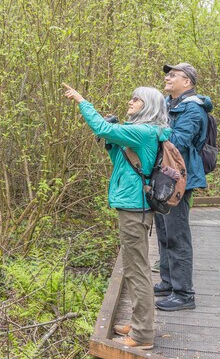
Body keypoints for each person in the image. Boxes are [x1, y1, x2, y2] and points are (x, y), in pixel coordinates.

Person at [63, 83, 171, 350]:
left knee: (137, 271)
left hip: (135, 208)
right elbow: (121, 161)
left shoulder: (144, 131)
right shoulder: (143, 133)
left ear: (149, 106)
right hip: (133, 205)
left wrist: (82, 101)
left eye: (136, 99)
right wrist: (112, 142)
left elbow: (101, 128)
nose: (130, 102)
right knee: (135, 268)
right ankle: (138, 323)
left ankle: (143, 334)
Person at [153, 63, 213, 311]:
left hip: (179, 180)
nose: (167, 77)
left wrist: (153, 128)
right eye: (167, 74)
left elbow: (177, 142)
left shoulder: (192, 109)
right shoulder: (169, 104)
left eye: (173, 75)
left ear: (187, 82)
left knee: (177, 235)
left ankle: (184, 293)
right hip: (163, 177)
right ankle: (168, 282)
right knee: (164, 233)